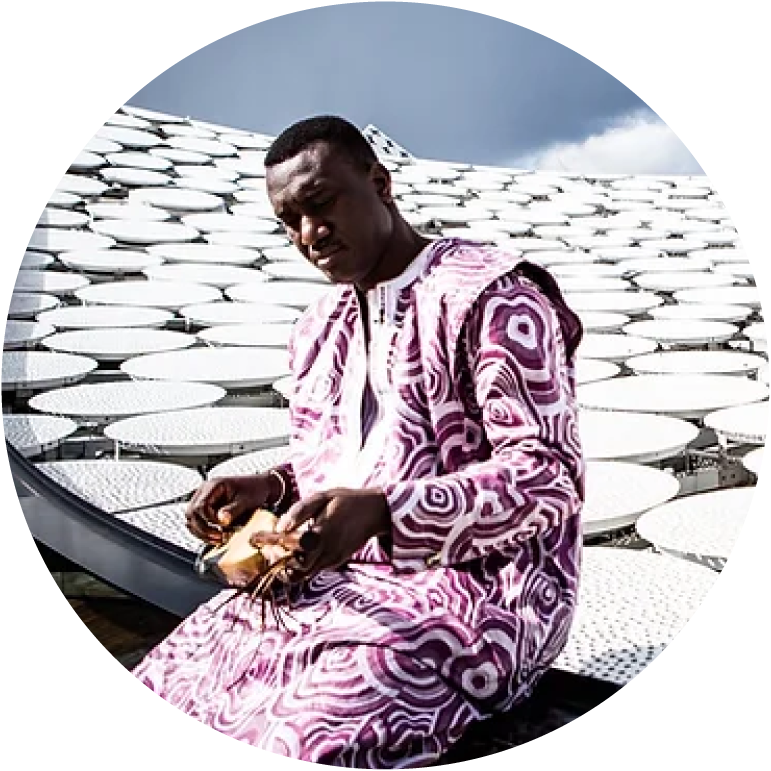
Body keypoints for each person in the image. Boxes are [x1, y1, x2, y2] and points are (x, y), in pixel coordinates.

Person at [132, 115, 585, 767]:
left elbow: (547, 478)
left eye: (319, 205)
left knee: (307, 737)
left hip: (477, 598)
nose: (307, 235)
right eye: (288, 221)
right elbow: (364, 449)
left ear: (379, 182)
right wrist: (274, 485)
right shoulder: (319, 327)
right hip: (321, 587)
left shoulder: (494, 297)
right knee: (172, 680)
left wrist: (386, 512)